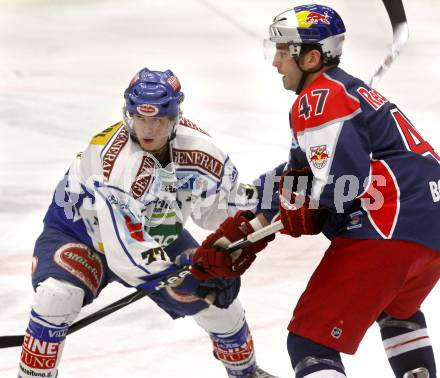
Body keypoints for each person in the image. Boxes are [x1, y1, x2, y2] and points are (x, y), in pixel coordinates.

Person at [190, 4, 440, 378]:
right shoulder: (341, 92)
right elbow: (298, 175)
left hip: (389, 223)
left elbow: (343, 185)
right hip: (430, 225)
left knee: (310, 344)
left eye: (281, 51)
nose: (275, 62)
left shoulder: (317, 99)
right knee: (398, 312)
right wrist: (244, 230)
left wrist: (304, 208)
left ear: (309, 56)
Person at [17, 67, 277, 378]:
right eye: (141, 118)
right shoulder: (117, 163)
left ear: (174, 117)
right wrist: (189, 278)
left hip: (156, 233)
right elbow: (124, 250)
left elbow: (216, 208)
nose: (148, 128)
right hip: (78, 232)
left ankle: (247, 374)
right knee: (56, 297)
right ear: (130, 114)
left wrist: (269, 201)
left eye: (158, 120)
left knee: (220, 306)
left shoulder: (198, 149)